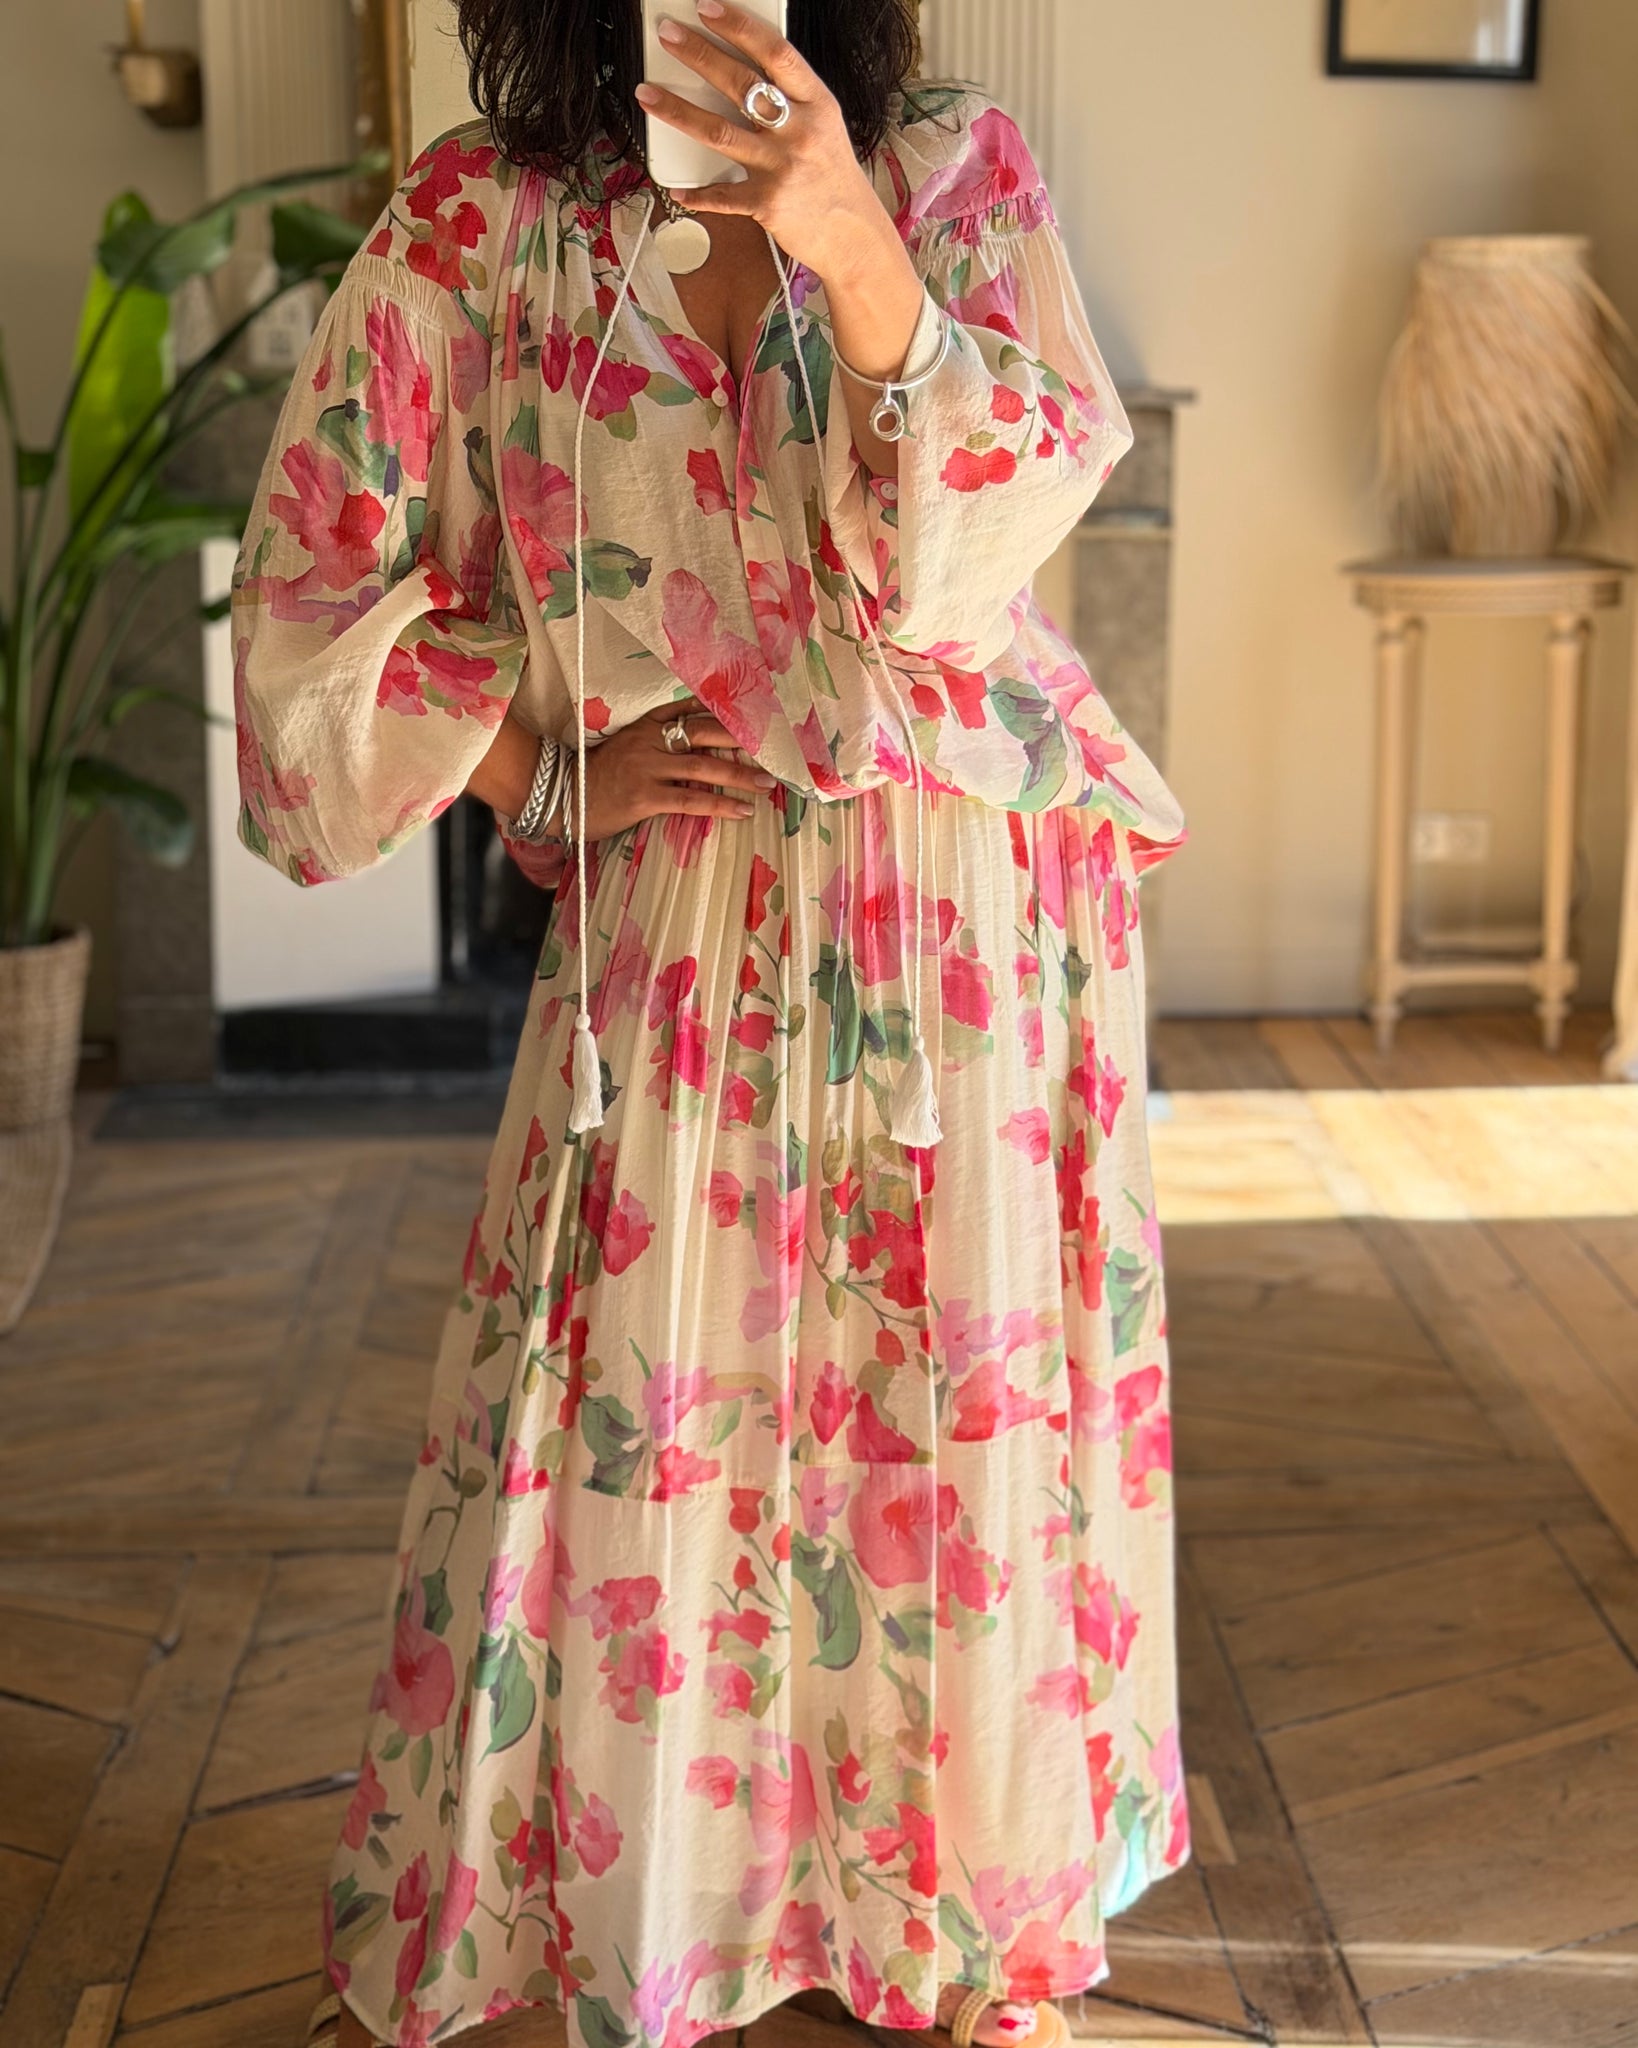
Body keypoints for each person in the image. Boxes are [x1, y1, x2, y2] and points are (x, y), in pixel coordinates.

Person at [230, 3, 1191, 2045]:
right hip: (685, 888)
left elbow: (979, 559)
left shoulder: (947, 169)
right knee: (652, 1391)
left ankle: (950, 1910)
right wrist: (531, 761)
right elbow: (308, 587)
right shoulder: (480, 222)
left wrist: (848, 235)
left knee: (954, 1406)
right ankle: (656, 1905)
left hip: (968, 895)